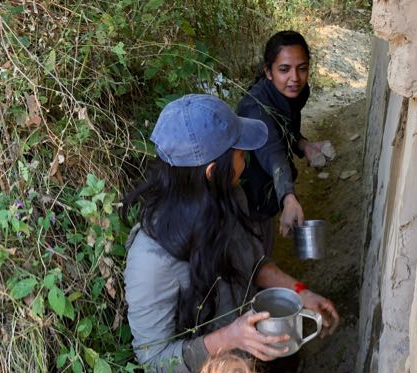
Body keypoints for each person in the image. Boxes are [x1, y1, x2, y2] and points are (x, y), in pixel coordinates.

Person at [122, 94, 339, 373]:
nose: (245, 163)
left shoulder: (230, 198)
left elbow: (254, 262)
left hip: (253, 355)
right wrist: (229, 337)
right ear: (213, 172)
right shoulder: (151, 259)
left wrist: (300, 292)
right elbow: (155, 361)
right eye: (239, 154)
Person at [237, 30, 330, 257]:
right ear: (268, 71)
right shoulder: (255, 106)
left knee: (262, 248)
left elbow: (287, 131)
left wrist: (304, 145)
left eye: (302, 68)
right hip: (247, 194)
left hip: (269, 192)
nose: (295, 78)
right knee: (251, 253)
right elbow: (273, 152)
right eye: (284, 69)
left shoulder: (298, 92)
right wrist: (289, 197)